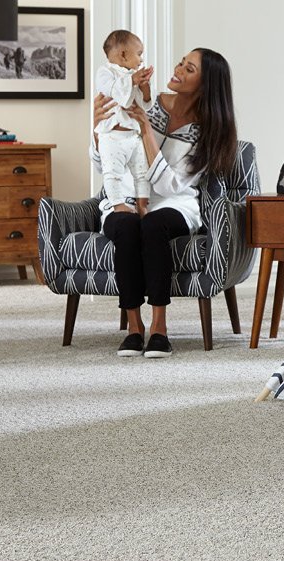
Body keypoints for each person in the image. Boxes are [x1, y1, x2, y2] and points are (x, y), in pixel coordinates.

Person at [90, 47, 238, 359]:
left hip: (176, 205)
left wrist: (145, 131)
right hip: (125, 199)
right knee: (128, 224)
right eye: (181, 63)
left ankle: (159, 327)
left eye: (189, 69)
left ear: (206, 84)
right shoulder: (142, 100)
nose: (178, 69)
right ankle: (134, 327)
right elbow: (104, 162)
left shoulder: (208, 130)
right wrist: (97, 130)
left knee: (154, 224)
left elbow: (171, 184)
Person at [94, 30, 153, 220]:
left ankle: (142, 205)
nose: (141, 60)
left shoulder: (132, 75)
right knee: (113, 173)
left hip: (133, 136)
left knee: (142, 173)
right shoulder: (105, 73)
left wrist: (145, 90)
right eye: (139, 53)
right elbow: (116, 94)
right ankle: (118, 204)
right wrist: (132, 81)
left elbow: (142, 106)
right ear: (123, 55)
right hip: (113, 137)